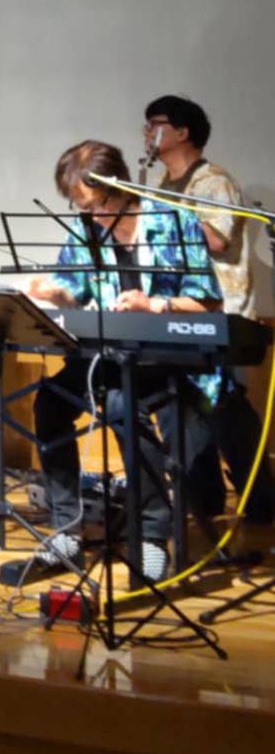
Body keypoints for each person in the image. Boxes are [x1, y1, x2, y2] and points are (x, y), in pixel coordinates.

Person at [7, 139, 221, 585]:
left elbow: (209, 303)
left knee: (124, 405)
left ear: (119, 185)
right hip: (105, 354)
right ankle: (66, 530)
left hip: (166, 358)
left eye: (97, 204)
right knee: (50, 403)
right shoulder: (86, 228)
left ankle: (152, 535)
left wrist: (156, 305)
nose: (91, 216)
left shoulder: (174, 223)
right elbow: (74, 290)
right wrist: (53, 292)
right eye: (81, 207)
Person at [143, 94, 275, 525]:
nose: (148, 131)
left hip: (219, 313)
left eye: (157, 123)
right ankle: (204, 501)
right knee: (177, 406)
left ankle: (261, 500)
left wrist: (165, 218)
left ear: (183, 132)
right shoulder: (159, 184)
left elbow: (217, 239)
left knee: (224, 408)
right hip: (176, 309)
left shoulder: (214, 181)